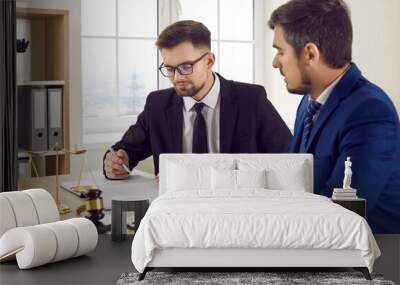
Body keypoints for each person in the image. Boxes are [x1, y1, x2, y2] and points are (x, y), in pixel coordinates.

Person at [268, 0, 400, 233]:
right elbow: (293, 181)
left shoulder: (370, 111)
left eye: (280, 51)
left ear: (310, 53)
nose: (275, 62)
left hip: (369, 259)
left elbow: (341, 213)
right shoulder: (308, 103)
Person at [103, 20, 292, 180]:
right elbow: (125, 150)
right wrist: (116, 162)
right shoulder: (157, 105)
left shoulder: (251, 100)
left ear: (209, 61)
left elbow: (289, 161)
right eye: (169, 69)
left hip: (236, 211)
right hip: (176, 214)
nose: (177, 77)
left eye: (186, 67)